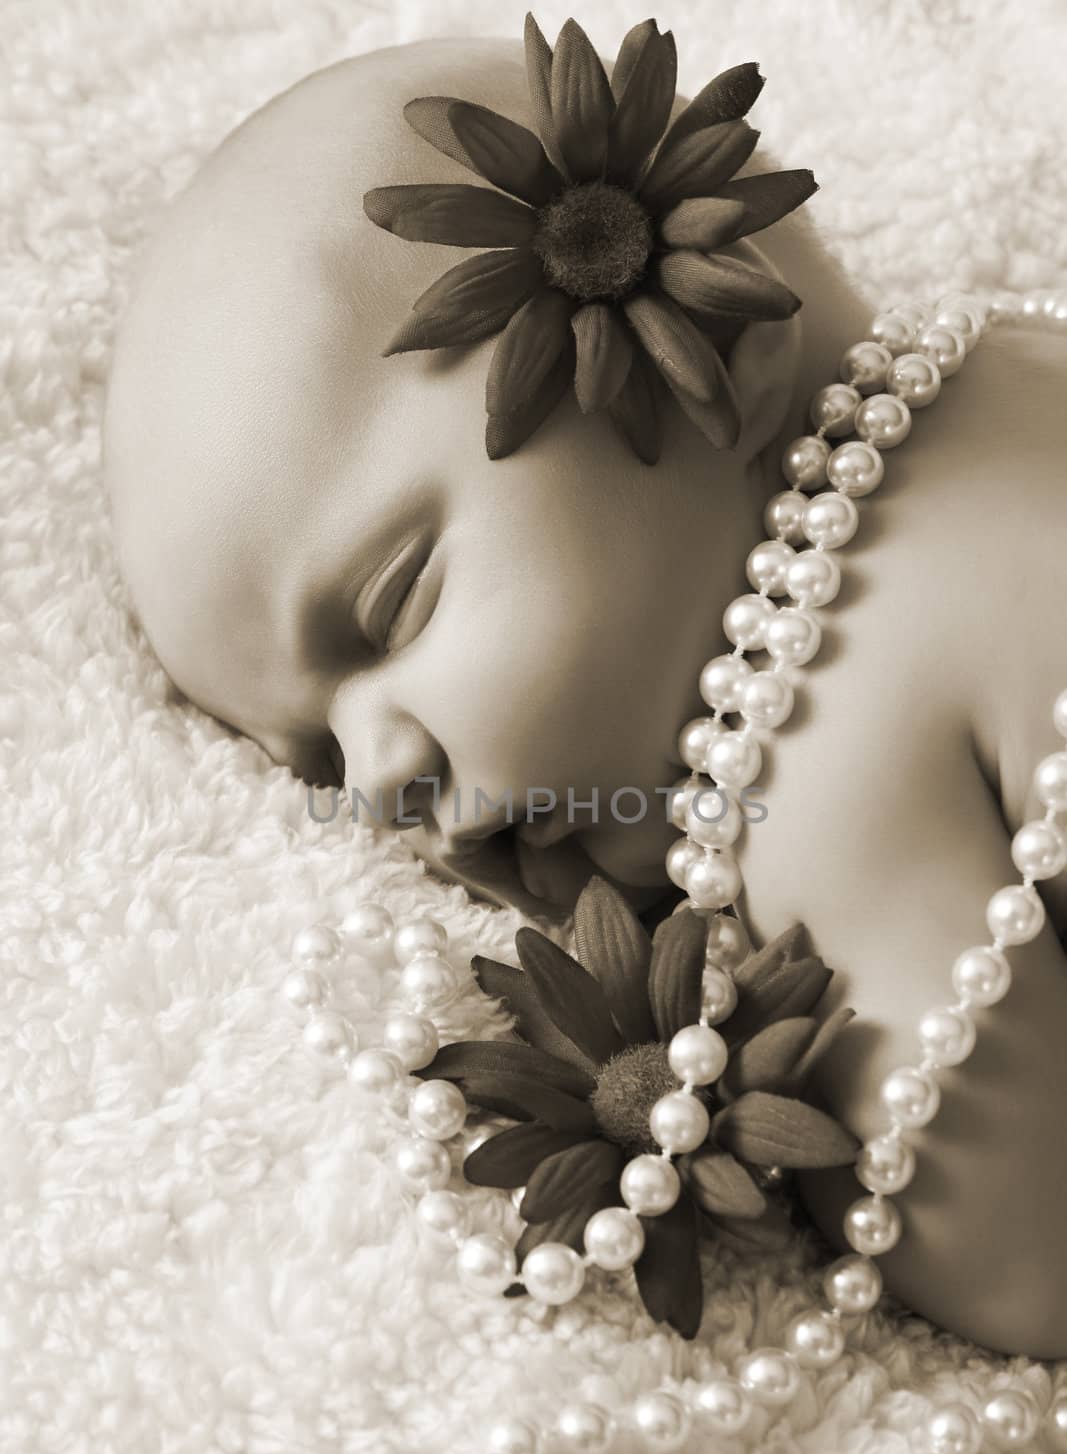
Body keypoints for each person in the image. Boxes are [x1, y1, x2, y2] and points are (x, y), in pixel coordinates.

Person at [102, 33, 1067, 1358]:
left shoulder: (827, 735)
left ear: (718, 340)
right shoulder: (1021, 365)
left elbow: (1026, 1259)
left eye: (396, 603)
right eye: (315, 760)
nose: (382, 775)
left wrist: (794, 1106)